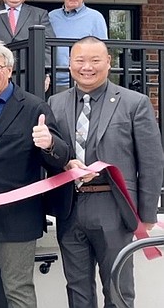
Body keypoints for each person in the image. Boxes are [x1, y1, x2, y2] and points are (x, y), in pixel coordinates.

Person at [48, 36, 164, 308]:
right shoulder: (55, 103)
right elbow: (51, 155)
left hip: (114, 208)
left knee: (118, 288)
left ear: (108, 63)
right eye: (79, 60)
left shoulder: (134, 103)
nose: (86, 67)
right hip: (70, 208)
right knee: (77, 289)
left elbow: (150, 161)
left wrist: (146, 215)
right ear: (70, 64)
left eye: (95, 60)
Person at [0, 39, 70, 308]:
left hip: (17, 216)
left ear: (10, 70)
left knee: (17, 289)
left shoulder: (33, 107)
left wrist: (50, 144)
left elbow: (61, 158)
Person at [48, 0, 108, 88]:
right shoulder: (51, 17)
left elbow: (102, 51)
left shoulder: (95, 17)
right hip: (54, 82)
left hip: (83, 81)